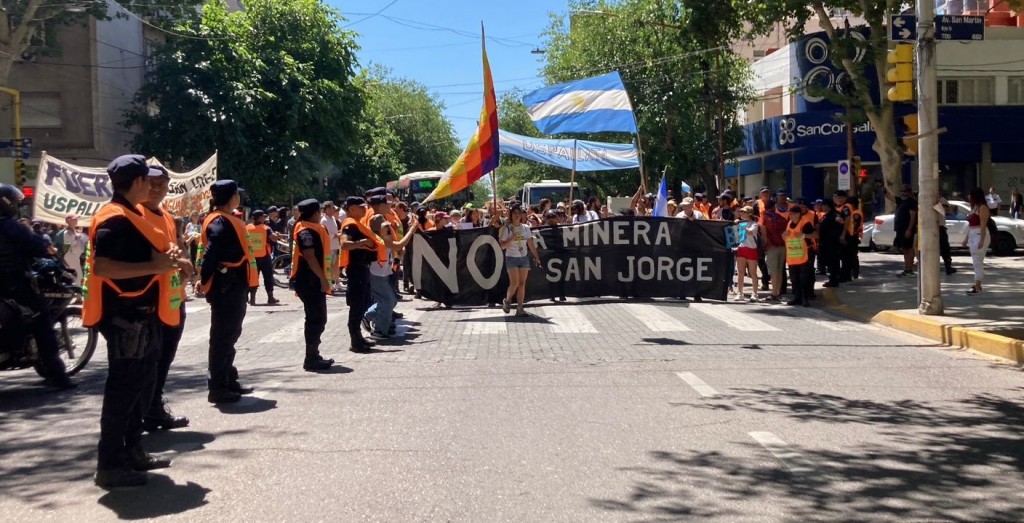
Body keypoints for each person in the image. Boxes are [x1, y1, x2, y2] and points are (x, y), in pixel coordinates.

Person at [84, 155, 184, 488]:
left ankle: (132, 451)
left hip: (142, 316)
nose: (153, 186)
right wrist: (156, 266)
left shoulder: (133, 214)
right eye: (148, 179)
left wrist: (163, 262)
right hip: (125, 319)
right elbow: (103, 267)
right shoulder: (114, 218)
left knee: (138, 386)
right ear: (138, 181)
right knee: (123, 392)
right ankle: (110, 464)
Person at [0, 185, 74, 390]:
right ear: (7, 204)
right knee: (43, 323)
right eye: (15, 203)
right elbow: (37, 245)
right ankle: (59, 376)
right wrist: (47, 250)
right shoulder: (11, 226)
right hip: (14, 285)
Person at [137, 165, 192, 432]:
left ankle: (154, 407)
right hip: (148, 302)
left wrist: (185, 265)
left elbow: (177, 248)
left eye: (162, 182)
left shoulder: (169, 217)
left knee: (164, 358)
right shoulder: (135, 216)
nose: (157, 187)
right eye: (151, 182)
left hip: (173, 299)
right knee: (148, 363)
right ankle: (143, 414)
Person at [200, 180, 257, 404]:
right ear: (231, 197)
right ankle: (218, 386)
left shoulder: (228, 219)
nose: (239, 197)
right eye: (237, 194)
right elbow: (210, 254)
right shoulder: (220, 222)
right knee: (223, 337)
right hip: (227, 286)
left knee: (230, 335)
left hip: (234, 285)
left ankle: (228, 379)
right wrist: (204, 280)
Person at [288, 199, 335, 371]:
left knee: (317, 318)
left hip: (312, 279)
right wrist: (323, 279)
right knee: (316, 318)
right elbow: (309, 256)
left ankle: (313, 354)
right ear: (315, 213)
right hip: (309, 280)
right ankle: (311, 358)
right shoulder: (306, 230)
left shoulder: (310, 227)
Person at [363, 195, 418, 339]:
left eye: (387, 228)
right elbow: (399, 244)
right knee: (387, 301)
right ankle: (379, 330)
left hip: (384, 273)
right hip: (377, 275)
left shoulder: (383, 236)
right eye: (384, 229)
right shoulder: (379, 240)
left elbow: (397, 246)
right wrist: (412, 229)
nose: (387, 230)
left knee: (390, 300)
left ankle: (368, 316)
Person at [340, 196, 384, 353]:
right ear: (351, 209)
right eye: (361, 207)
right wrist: (363, 242)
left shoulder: (358, 223)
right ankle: (355, 341)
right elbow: (344, 244)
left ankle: (358, 337)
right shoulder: (350, 225)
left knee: (361, 304)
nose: (365, 209)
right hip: (355, 270)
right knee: (356, 306)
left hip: (362, 268)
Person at [499, 204, 542, 317]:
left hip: (523, 257)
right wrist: (511, 238)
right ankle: (507, 300)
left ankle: (520, 308)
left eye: (519, 213)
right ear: (511, 215)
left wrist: (536, 257)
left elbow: (530, 244)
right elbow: (503, 246)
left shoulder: (526, 228)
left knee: (522, 283)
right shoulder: (507, 228)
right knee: (515, 283)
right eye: (515, 213)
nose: (517, 216)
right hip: (511, 257)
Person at [245, 210, 281, 305]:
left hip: (252, 258)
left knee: (253, 278)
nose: (264, 218)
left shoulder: (247, 228)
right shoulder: (265, 228)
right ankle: (270, 297)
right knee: (268, 277)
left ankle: (252, 299)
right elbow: (274, 237)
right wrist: (277, 235)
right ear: (260, 218)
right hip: (264, 256)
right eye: (263, 216)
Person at [784, 203, 817, 307]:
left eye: (793, 213)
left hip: (805, 255)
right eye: (790, 213)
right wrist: (784, 236)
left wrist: (804, 235)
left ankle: (805, 299)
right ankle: (797, 298)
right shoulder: (789, 223)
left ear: (798, 214)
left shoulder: (805, 223)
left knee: (804, 278)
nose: (791, 215)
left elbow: (816, 235)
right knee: (794, 278)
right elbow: (787, 238)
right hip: (793, 256)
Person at [886, 184, 918, 277]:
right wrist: (883, 188)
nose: (903, 193)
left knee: (909, 249)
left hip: (907, 230)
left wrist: (909, 229)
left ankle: (910, 270)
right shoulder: (900, 201)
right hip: (900, 229)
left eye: (905, 191)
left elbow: (913, 216)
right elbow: (889, 197)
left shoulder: (911, 202)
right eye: (902, 191)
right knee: (904, 249)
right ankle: (906, 268)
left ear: (909, 192)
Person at [963, 188, 991, 295]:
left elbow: (983, 225)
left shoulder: (983, 208)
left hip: (979, 234)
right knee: (976, 260)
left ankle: (977, 286)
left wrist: (982, 240)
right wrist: (966, 239)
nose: (968, 197)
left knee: (977, 261)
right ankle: (978, 284)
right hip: (973, 234)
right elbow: (970, 226)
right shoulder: (975, 207)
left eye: (970, 195)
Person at [760, 199, 788, 302]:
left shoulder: (764, 217)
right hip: (782, 247)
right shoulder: (781, 218)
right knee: (780, 270)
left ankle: (774, 293)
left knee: (773, 271)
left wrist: (766, 246)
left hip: (772, 247)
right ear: (774, 207)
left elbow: (763, 233)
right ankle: (778, 292)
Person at [733, 206, 760, 302]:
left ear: (749, 214)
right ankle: (740, 293)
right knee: (740, 273)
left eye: (744, 212)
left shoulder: (754, 224)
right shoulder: (740, 223)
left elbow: (751, 232)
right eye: (741, 212)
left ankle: (755, 293)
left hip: (752, 249)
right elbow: (737, 236)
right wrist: (736, 226)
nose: (741, 214)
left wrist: (741, 226)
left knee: (753, 273)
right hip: (742, 248)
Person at [56, 215, 88, 286]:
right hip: (70, 256)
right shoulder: (66, 233)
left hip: (76, 256)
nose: (76, 220)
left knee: (78, 276)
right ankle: (76, 292)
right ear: (69, 221)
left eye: (76, 219)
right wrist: (77, 238)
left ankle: (76, 292)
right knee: (78, 276)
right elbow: (67, 244)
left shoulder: (75, 231)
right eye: (74, 219)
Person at [818, 198, 843, 288]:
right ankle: (832, 279)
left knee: (833, 261)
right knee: (828, 261)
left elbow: (841, 224)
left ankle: (834, 280)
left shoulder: (834, 215)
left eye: (823, 205)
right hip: (826, 242)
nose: (822, 207)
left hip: (832, 242)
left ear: (827, 206)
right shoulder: (826, 215)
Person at [320, 201, 342, 294]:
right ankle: (329, 285)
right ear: (327, 209)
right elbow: (326, 235)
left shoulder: (333, 218)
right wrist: (336, 235)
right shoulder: (324, 220)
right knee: (328, 266)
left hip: (335, 246)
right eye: (332, 208)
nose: (334, 210)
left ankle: (337, 282)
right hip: (329, 247)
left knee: (335, 266)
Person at [937, 195, 956, 275]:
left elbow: (950, 210)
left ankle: (948, 267)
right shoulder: (928, 200)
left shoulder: (942, 200)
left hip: (941, 228)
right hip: (932, 229)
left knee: (945, 250)